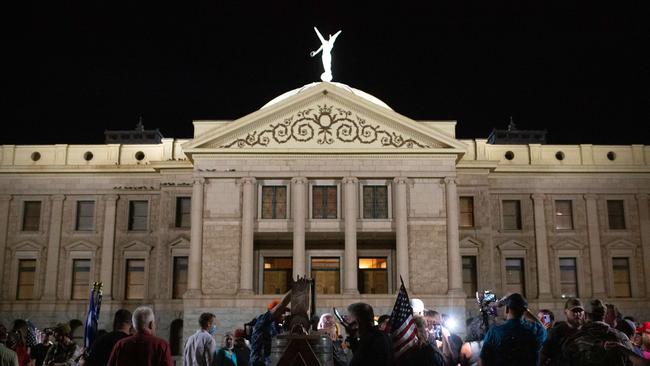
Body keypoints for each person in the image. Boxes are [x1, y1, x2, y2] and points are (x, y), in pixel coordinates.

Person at [561, 299, 634, 366]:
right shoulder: (622, 337)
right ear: (604, 315)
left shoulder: (574, 341)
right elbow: (632, 361)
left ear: (585, 316)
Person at [479, 293, 546, 366]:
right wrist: (525, 309)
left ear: (507, 309)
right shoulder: (534, 329)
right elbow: (543, 328)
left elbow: (483, 361)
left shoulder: (494, 332)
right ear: (524, 310)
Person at [107, 306, 173, 366]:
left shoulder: (120, 345)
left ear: (134, 325)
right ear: (151, 324)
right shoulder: (161, 345)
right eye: (154, 323)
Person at [249, 290, 291, 366]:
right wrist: (294, 290)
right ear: (275, 311)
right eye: (282, 312)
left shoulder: (278, 327)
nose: (283, 315)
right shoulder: (262, 320)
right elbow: (281, 305)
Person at [540, 297, 585, 366]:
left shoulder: (587, 330)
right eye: (574, 311)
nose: (578, 314)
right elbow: (544, 356)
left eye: (580, 311)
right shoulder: (556, 332)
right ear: (566, 312)